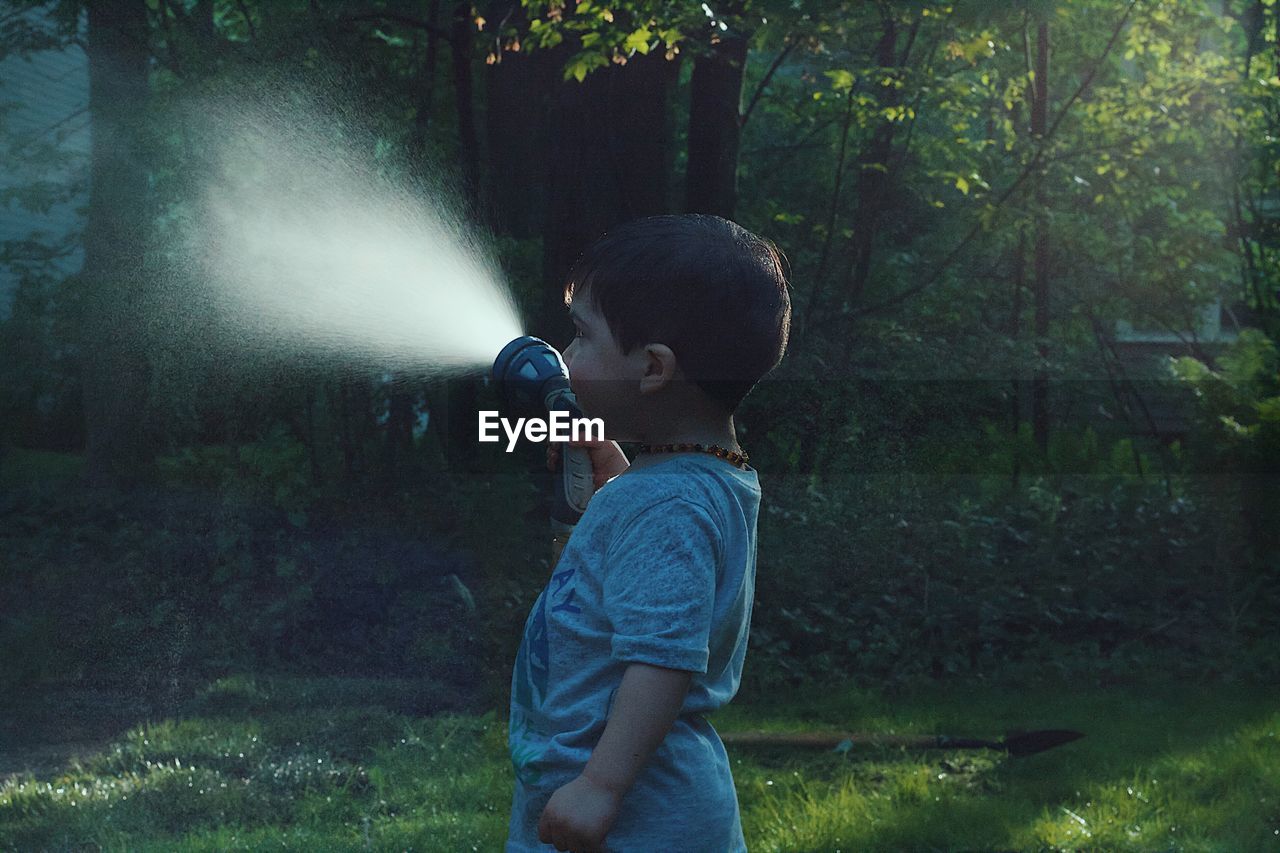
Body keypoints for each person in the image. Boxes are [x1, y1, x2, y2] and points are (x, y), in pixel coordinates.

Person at [506, 214, 791, 853]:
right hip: (614, 808)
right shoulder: (688, 486)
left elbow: (663, 653)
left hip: (633, 819)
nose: (565, 359)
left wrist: (600, 787)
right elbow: (645, 583)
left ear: (654, 369)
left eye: (581, 339)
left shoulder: (669, 505)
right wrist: (616, 481)